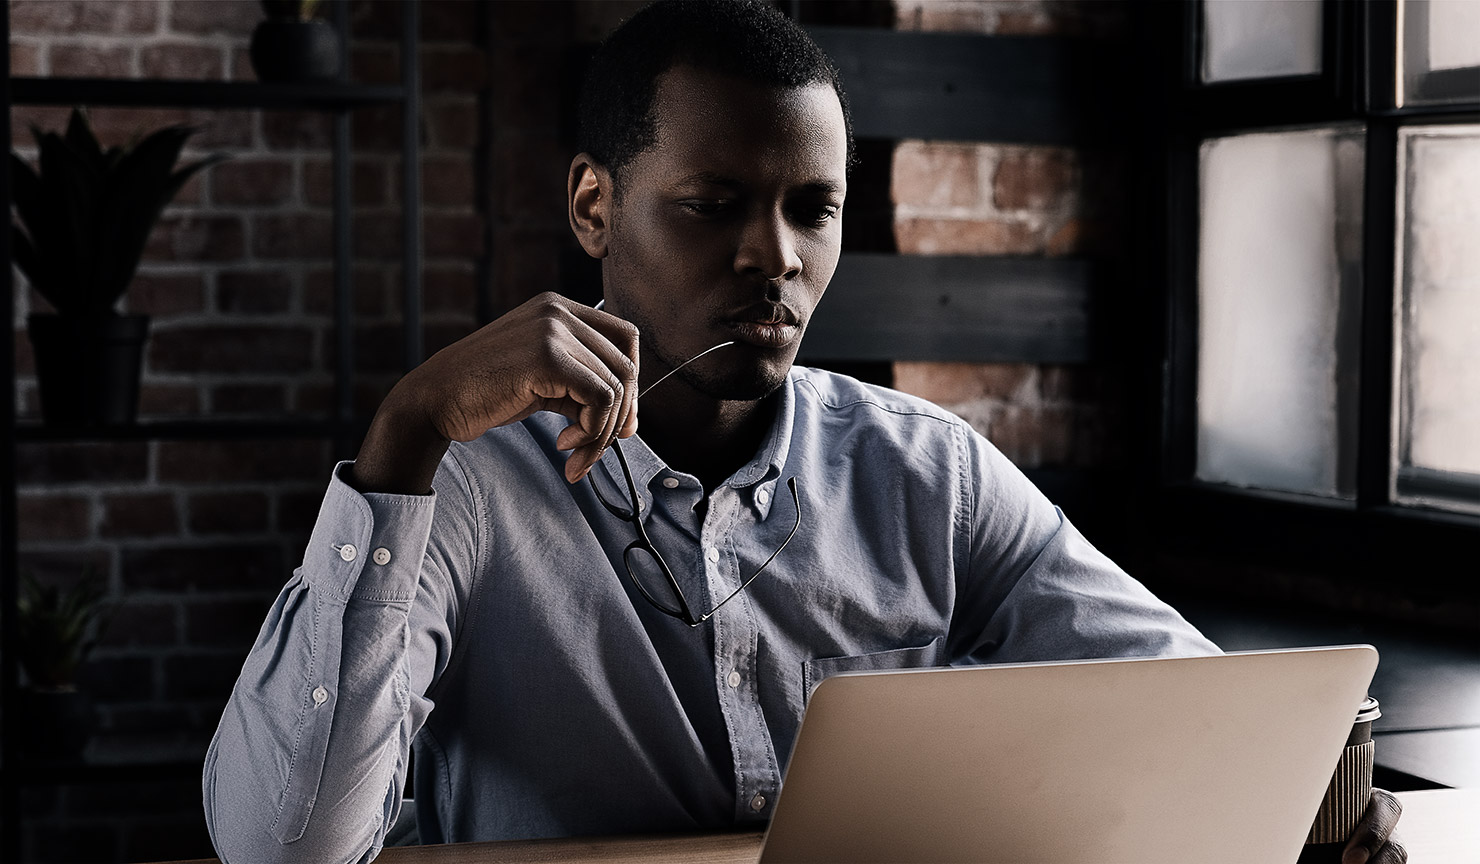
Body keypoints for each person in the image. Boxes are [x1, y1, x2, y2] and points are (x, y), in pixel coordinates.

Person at [202, 2, 1405, 862]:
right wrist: (406, 431)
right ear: (591, 205)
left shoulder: (926, 472)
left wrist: (1317, 794)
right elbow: (280, 848)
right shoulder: (460, 488)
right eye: (713, 205)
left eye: (812, 210)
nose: (773, 256)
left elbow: (1197, 708)